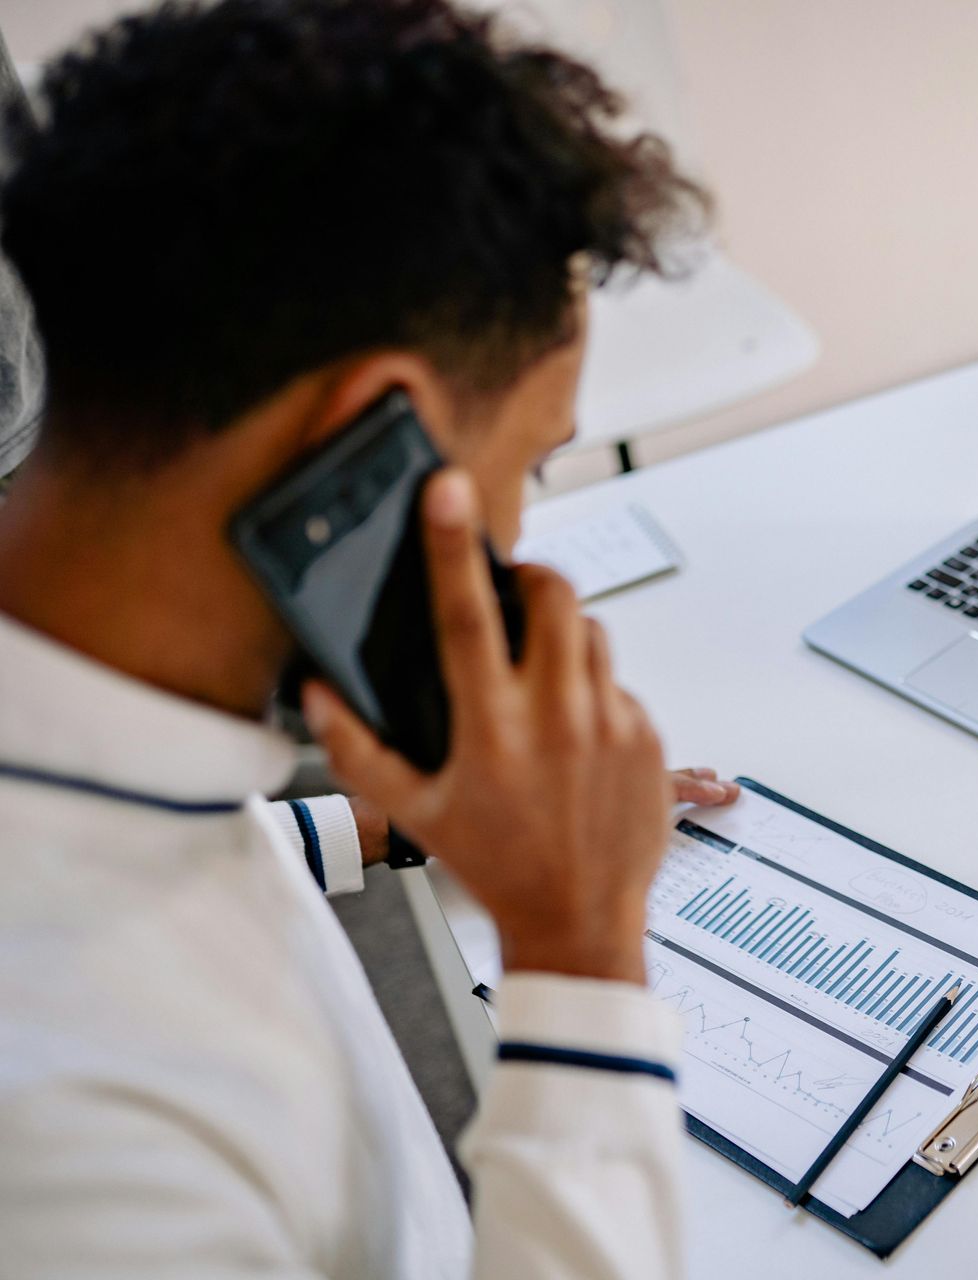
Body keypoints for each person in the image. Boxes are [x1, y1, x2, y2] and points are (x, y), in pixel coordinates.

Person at [0, 0, 738, 1274]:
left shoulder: (117, 731)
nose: (518, 533)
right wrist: (580, 951)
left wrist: (380, 821)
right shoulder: (80, 1154)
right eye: (532, 464)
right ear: (365, 448)